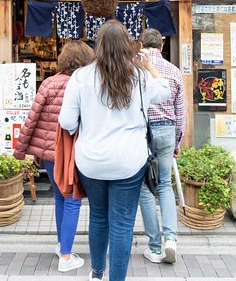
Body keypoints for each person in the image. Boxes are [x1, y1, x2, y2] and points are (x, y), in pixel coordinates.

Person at [59, 20, 171, 281]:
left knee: (98, 217)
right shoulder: (139, 75)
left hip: (91, 161)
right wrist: (149, 65)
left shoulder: (81, 76)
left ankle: (97, 273)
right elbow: (165, 91)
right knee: (122, 224)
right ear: (126, 45)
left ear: (98, 46)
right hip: (129, 162)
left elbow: (66, 122)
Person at [13, 40, 94, 273]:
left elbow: (31, 119)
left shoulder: (49, 82)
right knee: (73, 199)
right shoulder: (84, 84)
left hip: (49, 154)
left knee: (60, 197)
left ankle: (62, 246)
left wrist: (21, 150)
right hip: (73, 151)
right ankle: (66, 257)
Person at [137, 28, 186, 264]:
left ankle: (155, 247)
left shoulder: (134, 69)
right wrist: (178, 140)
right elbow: (181, 111)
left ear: (141, 44)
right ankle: (171, 239)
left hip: (143, 130)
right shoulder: (174, 71)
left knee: (145, 188)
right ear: (162, 45)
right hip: (168, 128)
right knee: (165, 184)